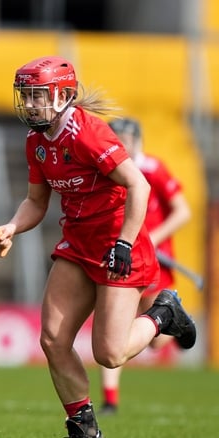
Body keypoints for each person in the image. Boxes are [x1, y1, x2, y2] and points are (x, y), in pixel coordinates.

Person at [0, 56, 197, 438]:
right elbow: (36, 202)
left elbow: (139, 186)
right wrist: (12, 227)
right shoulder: (36, 143)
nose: (30, 104)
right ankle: (85, 434)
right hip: (78, 243)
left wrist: (123, 241)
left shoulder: (89, 133)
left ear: (64, 96)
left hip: (121, 242)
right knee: (52, 339)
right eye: (27, 95)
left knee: (110, 354)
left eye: (38, 95)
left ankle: (163, 313)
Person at [98, 117, 192, 415]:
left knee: (155, 343)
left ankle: (170, 314)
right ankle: (110, 399)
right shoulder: (106, 169)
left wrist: (154, 238)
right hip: (122, 258)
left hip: (152, 260)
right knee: (115, 329)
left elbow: (183, 211)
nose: (121, 142)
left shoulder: (153, 168)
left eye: (126, 137)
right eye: (116, 136)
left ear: (138, 141)